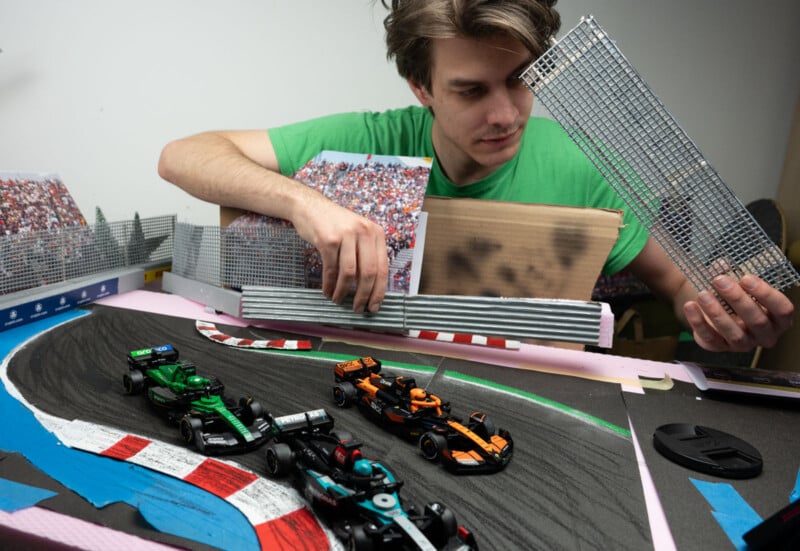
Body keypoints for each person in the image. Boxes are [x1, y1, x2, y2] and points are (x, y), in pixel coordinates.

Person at [158, 0, 793, 354]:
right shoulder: (370, 140)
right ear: (421, 87)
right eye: (470, 90)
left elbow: (676, 283)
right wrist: (305, 204)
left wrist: (719, 320)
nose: (505, 114)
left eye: (520, 80)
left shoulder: (583, 160)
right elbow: (185, 154)